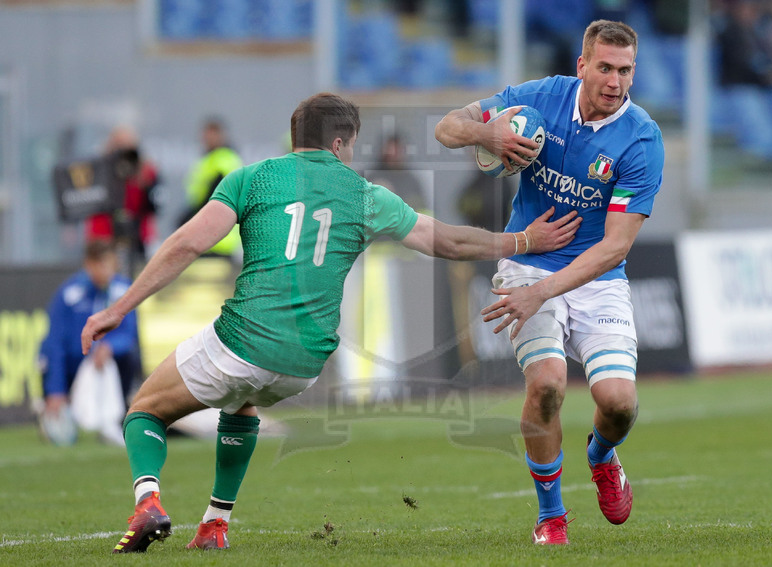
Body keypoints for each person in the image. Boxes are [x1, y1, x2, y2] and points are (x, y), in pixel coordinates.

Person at [80, 92, 582, 554]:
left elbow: (187, 244)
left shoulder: (251, 178)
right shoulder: (364, 195)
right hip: (306, 362)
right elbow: (448, 242)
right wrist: (523, 241)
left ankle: (148, 502)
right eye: (351, 146)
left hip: (244, 339)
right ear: (340, 143)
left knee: (144, 409)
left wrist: (117, 308)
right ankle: (215, 525)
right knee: (243, 402)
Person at [435, 20, 664, 545]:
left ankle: (602, 455)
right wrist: (485, 132)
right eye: (604, 68)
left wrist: (545, 291)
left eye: (625, 70)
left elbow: (615, 246)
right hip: (527, 264)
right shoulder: (539, 99)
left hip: (595, 277)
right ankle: (551, 515)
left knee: (619, 402)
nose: (615, 81)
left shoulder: (642, 140)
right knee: (546, 387)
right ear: (582, 65)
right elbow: (446, 127)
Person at [39, 239, 141, 438]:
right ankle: (54, 407)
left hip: (106, 364)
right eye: (102, 264)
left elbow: (129, 335)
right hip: (74, 364)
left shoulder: (124, 291)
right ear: (89, 264)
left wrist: (109, 346)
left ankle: (118, 417)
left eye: (111, 264)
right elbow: (56, 344)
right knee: (62, 436)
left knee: (128, 357)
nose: (107, 271)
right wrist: (56, 390)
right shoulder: (69, 294)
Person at [85, 127, 160, 277]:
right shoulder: (99, 168)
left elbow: (153, 206)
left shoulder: (145, 170)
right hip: (105, 235)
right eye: (119, 147)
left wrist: (142, 180)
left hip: (138, 238)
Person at [182, 117, 244, 259]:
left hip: (217, 236)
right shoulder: (207, 159)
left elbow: (214, 199)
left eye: (212, 135)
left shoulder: (224, 159)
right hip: (207, 236)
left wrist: (188, 219)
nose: (207, 139)